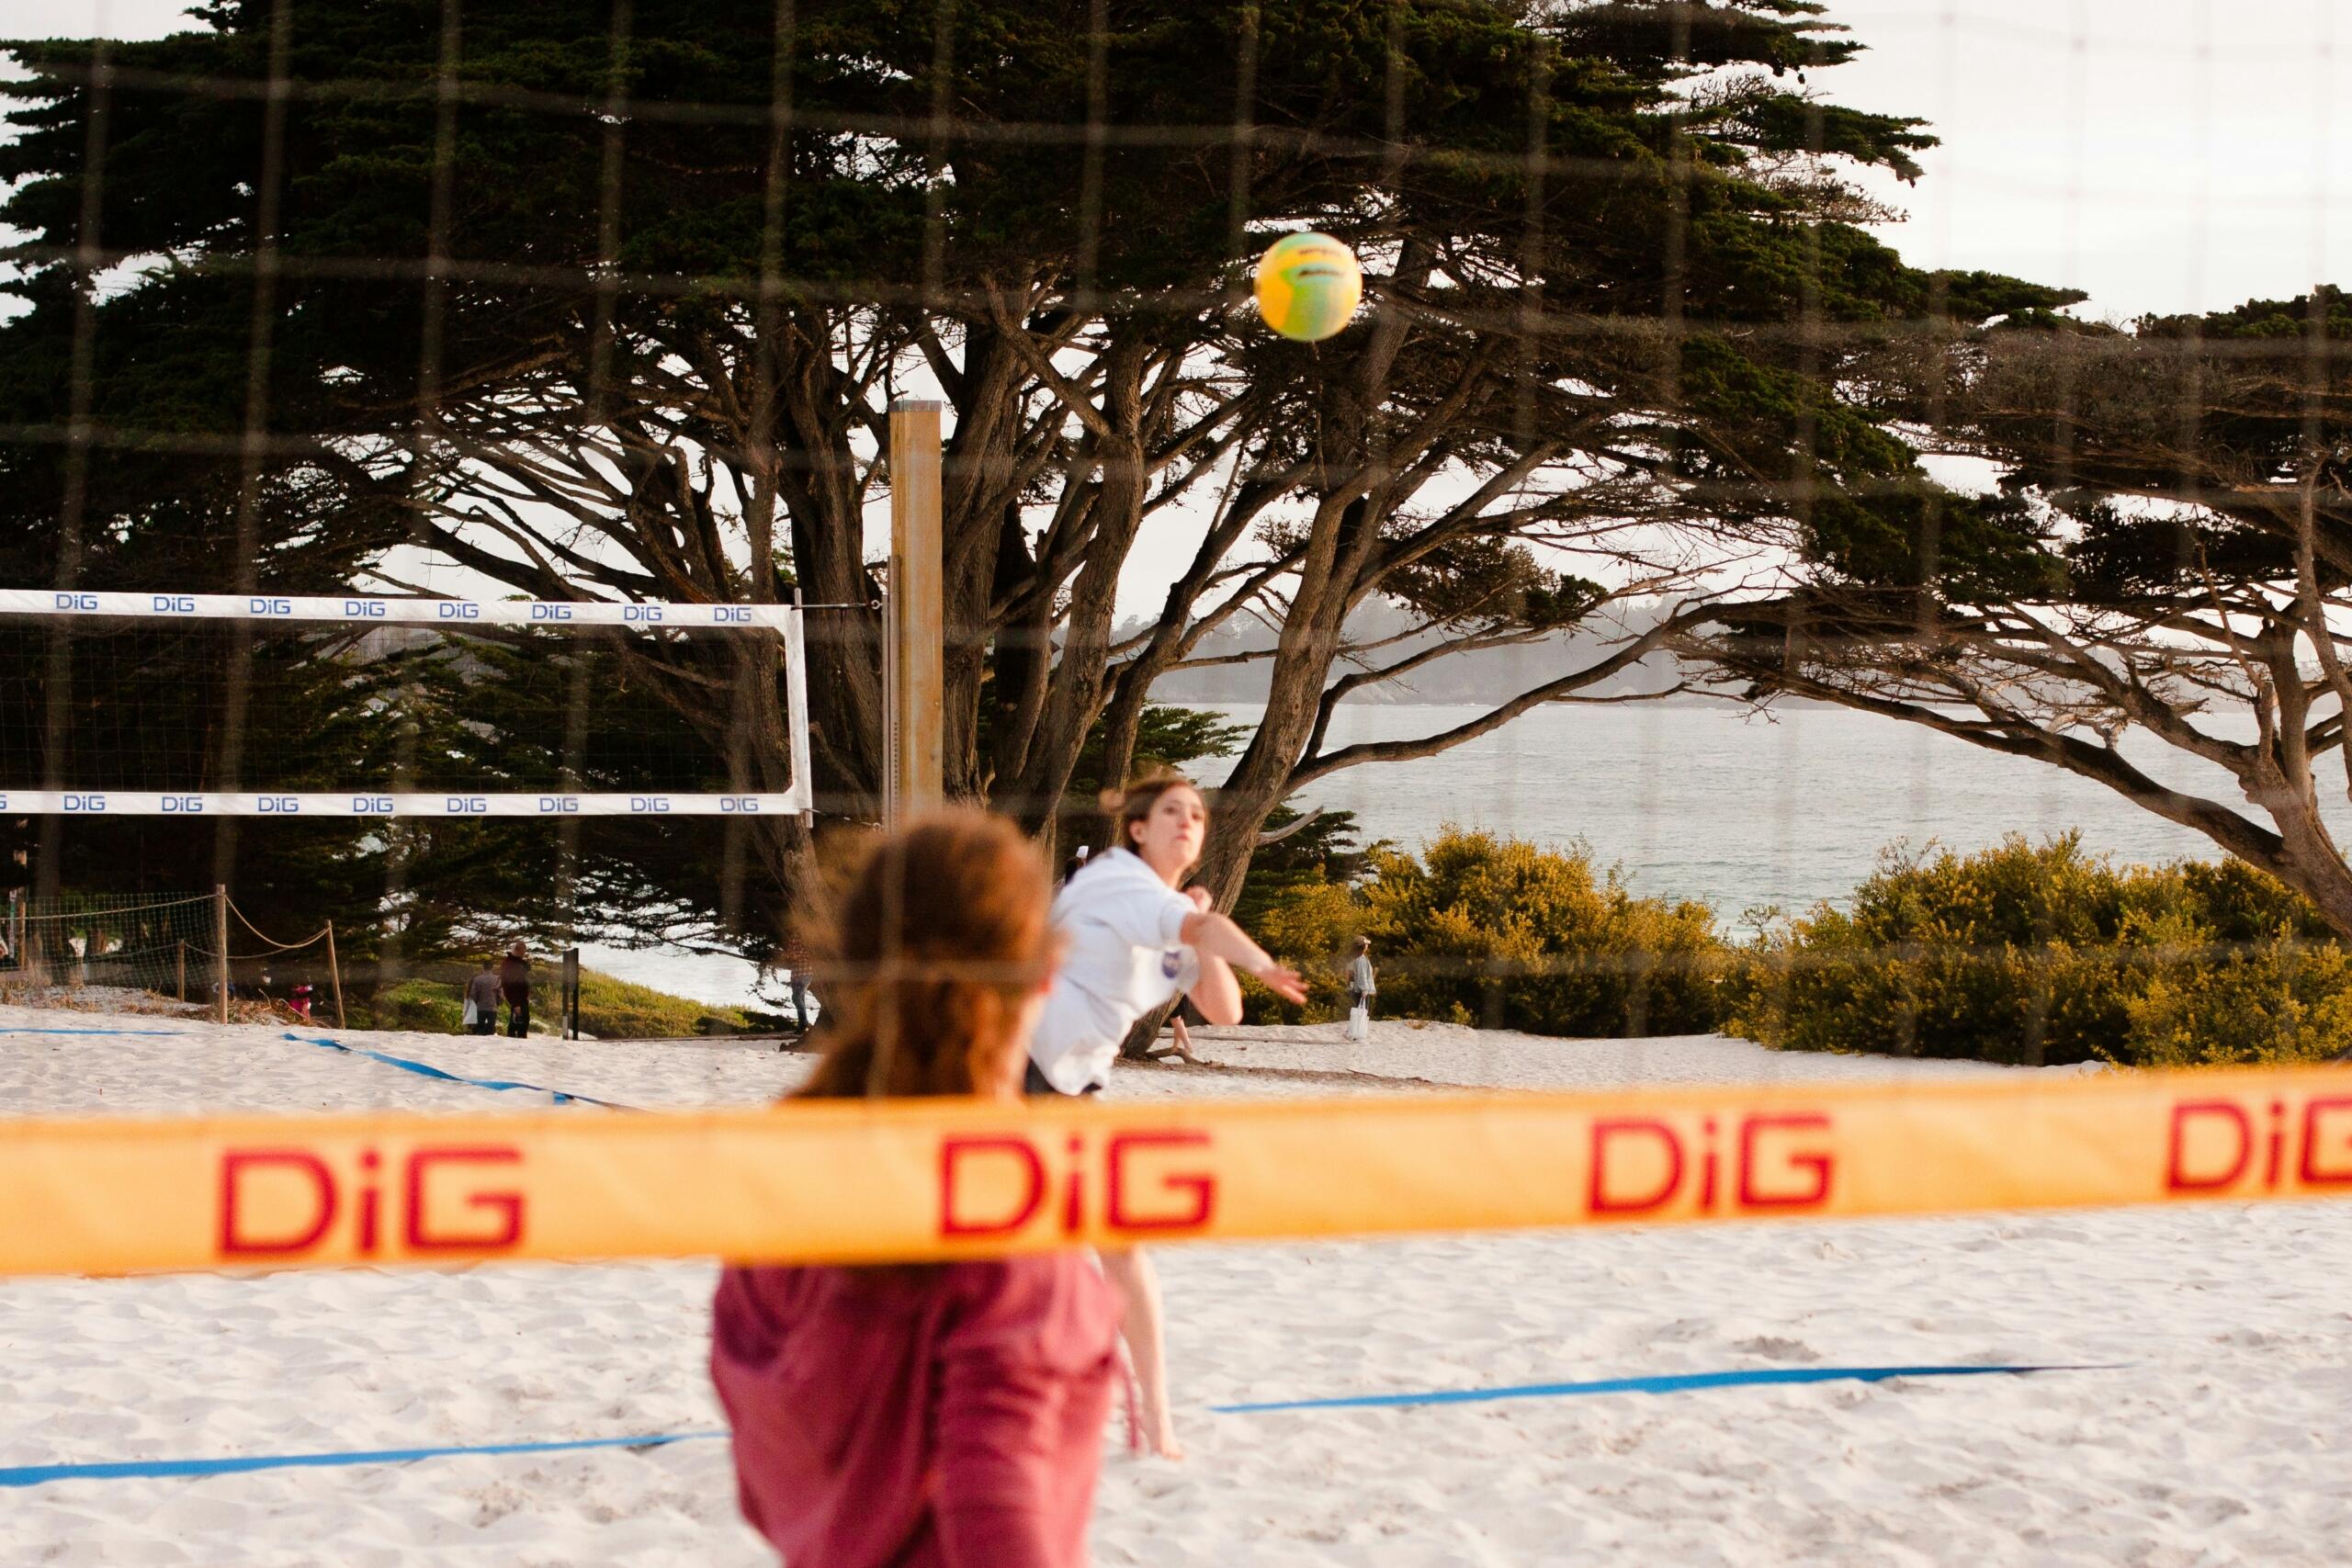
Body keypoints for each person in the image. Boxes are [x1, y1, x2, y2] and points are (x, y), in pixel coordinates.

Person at [710, 810, 1120, 1568]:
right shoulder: (1005, 1205)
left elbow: (764, 1475)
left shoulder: (785, 1175)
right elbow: (997, 1500)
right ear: (1047, 973)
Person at [1029, 771, 1307, 1458]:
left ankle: (1156, 1417)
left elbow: (1225, 1010)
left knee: (1121, 1248)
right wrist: (1257, 957)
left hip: (1073, 1090)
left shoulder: (1162, 908)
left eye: (1198, 816)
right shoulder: (1116, 879)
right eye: (1172, 811)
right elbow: (1207, 930)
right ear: (1138, 828)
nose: (1188, 822)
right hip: (1009, 1075)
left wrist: (1204, 939)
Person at [1345, 936, 1376, 1043]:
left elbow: (1350, 975)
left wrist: (1351, 987)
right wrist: (1364, 989)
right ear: (1362, 946)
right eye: (1366, 944)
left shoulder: (1352, 957)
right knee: (1362, 1011)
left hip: (1354, 988)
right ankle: (1357, 1036)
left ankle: (1350, 1032)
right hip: (1360, 989)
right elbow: (1362, 975)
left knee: (1357, 1011)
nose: (1367, 945)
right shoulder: (1361, 959)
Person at [499, 941, 531, 1038]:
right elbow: (509, 985)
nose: (524, 954)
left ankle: (518, 1042)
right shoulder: (510, 964)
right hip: (516, 999)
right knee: (518, 1023)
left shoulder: (517, 962)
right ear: (517, 951)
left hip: (521, 997)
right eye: (523, 952)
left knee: (522, 1022)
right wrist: (515, 1003)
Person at [464, 958, 502, 1036]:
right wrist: (498, 1002)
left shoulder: (477, 979)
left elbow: (473, 994)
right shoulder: (498, 979)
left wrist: (477, 1001)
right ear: (492, 967)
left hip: (480, 1007)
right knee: (491, 1030)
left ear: (483, 967)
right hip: (492, 1007)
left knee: (479, 1029)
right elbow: (501, 993)